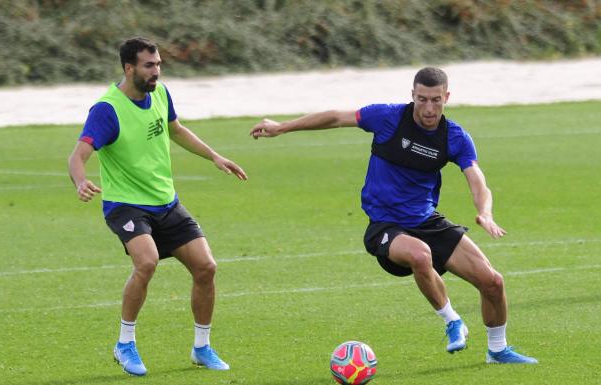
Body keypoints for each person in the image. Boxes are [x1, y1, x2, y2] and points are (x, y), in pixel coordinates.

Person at [250, 67, 537, 364]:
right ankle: (453, 321)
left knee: (492, 282)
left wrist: (485, 213)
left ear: (447, 97)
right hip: (385, 225)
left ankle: (498, 350)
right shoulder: (387, 117)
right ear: (412, 95)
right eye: (422, 99)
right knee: (420, 255)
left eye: (436, 100)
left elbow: (476, 178)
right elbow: (336, 117)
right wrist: (282, 127)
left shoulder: (454, 137)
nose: (428, 108)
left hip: (426, 220)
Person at [68, 37, 247, 376]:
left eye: (159, 64)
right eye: (149, 66)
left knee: (206, 268)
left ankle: (202, 347)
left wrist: (214, 156)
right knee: (147, 262)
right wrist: (80, 181)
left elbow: (176, 130)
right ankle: (125, 344)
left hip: (166, 202)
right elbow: (78, 154)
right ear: (129, 68)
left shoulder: (160, 95)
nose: (157, 72)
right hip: (125, 205)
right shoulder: (107, 110)